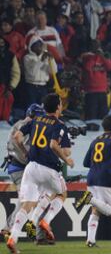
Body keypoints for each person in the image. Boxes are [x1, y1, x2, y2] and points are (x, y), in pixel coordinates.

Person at [7, 93, 74, 254]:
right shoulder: (59, 124)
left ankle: (13, 239)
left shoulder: (36, 120)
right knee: (61, 194)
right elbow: (53, 145)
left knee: (27, 205)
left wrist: (25, 152)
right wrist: (67, 160)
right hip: (49, 168)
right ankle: (46, 220)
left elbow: (17, 137)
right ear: (58, 106)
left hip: (31, 167)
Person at [75, 114, 111, 247]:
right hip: (105, 178)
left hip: (92, 177)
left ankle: (90, 240)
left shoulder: (95, 140)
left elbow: (85, 162)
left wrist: (97, 166)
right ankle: (89, 199)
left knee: (96, 210)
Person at [1, 104, 45, 241]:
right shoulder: (29, 126)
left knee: (30, 200)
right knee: (27, 200)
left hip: (15, 166)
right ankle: (9, 229)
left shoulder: (18, 124)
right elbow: (24, 145)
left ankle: (32, 232)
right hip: (21, 167)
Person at [81, 39, 111, 120]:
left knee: (103, 116)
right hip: (91, 91)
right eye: (95, 45)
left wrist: (102, 56)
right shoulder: (87, 57)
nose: (97, 47)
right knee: (91, 116)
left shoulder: (103, 56)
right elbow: (88, 68)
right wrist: (93, 56)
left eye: (98, 45)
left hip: (102, 90)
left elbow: (109, 67)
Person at [23, 35, 57, 109]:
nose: (39, 47)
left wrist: (52, 59)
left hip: (43, 86)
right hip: (31, 86)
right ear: (31, 47)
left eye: (40, 45)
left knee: (43, 109)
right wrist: (41, 60)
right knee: (32, 109)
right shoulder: (27, 58)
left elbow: (53, 71)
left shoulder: (45, 56)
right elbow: (32, 74)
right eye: (36, 45)